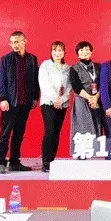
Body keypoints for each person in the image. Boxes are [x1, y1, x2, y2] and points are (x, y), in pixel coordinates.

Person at [0, 31, 40, 174]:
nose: (15, 45)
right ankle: (0, 162)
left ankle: (14, 162)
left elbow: (35, 80)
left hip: (25, 102)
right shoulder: (6, 59)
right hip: (10, 102)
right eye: (12, 42)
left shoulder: (32, 59)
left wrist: (35, 98)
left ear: (24, 41)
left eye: (17, 42)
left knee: (19, 134)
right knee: (5, 133)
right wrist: (3, 98)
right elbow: (1, 80)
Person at [38, 41, 71, 173]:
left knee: (56, 132)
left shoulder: (67, 68)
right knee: (49, 131)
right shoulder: (45, 65)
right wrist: (55, 99)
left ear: (64, 52)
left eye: (60, 50)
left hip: (63, 104)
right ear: (51, 52)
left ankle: (52, 160)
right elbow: (43, 84)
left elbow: (69, 87)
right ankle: (46, 162)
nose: (57, 53)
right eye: (55, 50)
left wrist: (62, 99)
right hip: (48, 103)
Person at [68, 41, 103, 158]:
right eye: (81, 50)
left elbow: (103, 84)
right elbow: (76, 87)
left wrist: (96, 98)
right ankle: (81, 154)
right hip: (82, 101)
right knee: (82, 127)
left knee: (97, 125)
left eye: (87, 49)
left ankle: (94, 153)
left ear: (91, 51)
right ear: (78, 54)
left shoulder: (99, 67)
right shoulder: (74, 69)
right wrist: (90, 98)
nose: (85, 52)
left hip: (97, 101)